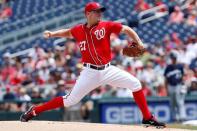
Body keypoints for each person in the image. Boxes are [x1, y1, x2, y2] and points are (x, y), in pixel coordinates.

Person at [20, 2, 165, 128]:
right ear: (88, 14)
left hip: (108, 69)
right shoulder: (78, 30)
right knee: (70, 101)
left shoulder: (106, 26)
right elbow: (68, 32)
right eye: (97, 12)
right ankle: (35, 110)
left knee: (136, 84)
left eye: (100, 11)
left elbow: (127, 29)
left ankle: (147, 118)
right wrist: (52, 34)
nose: (100, 14)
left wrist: (138, 42)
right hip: (90, 73)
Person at [164, 51, 186, 122]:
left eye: (174, 58)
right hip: (170, 86)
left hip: (178, 85)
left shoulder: (180, 66)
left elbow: (183, 76)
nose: (174, 59)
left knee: (179, 102)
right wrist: (166, 89)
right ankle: (175, 118)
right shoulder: (168, 67)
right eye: (173, 58)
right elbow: (166, 79)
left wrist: (183, 85)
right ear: (171, 58)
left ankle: (182, 117)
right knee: (172, 103)